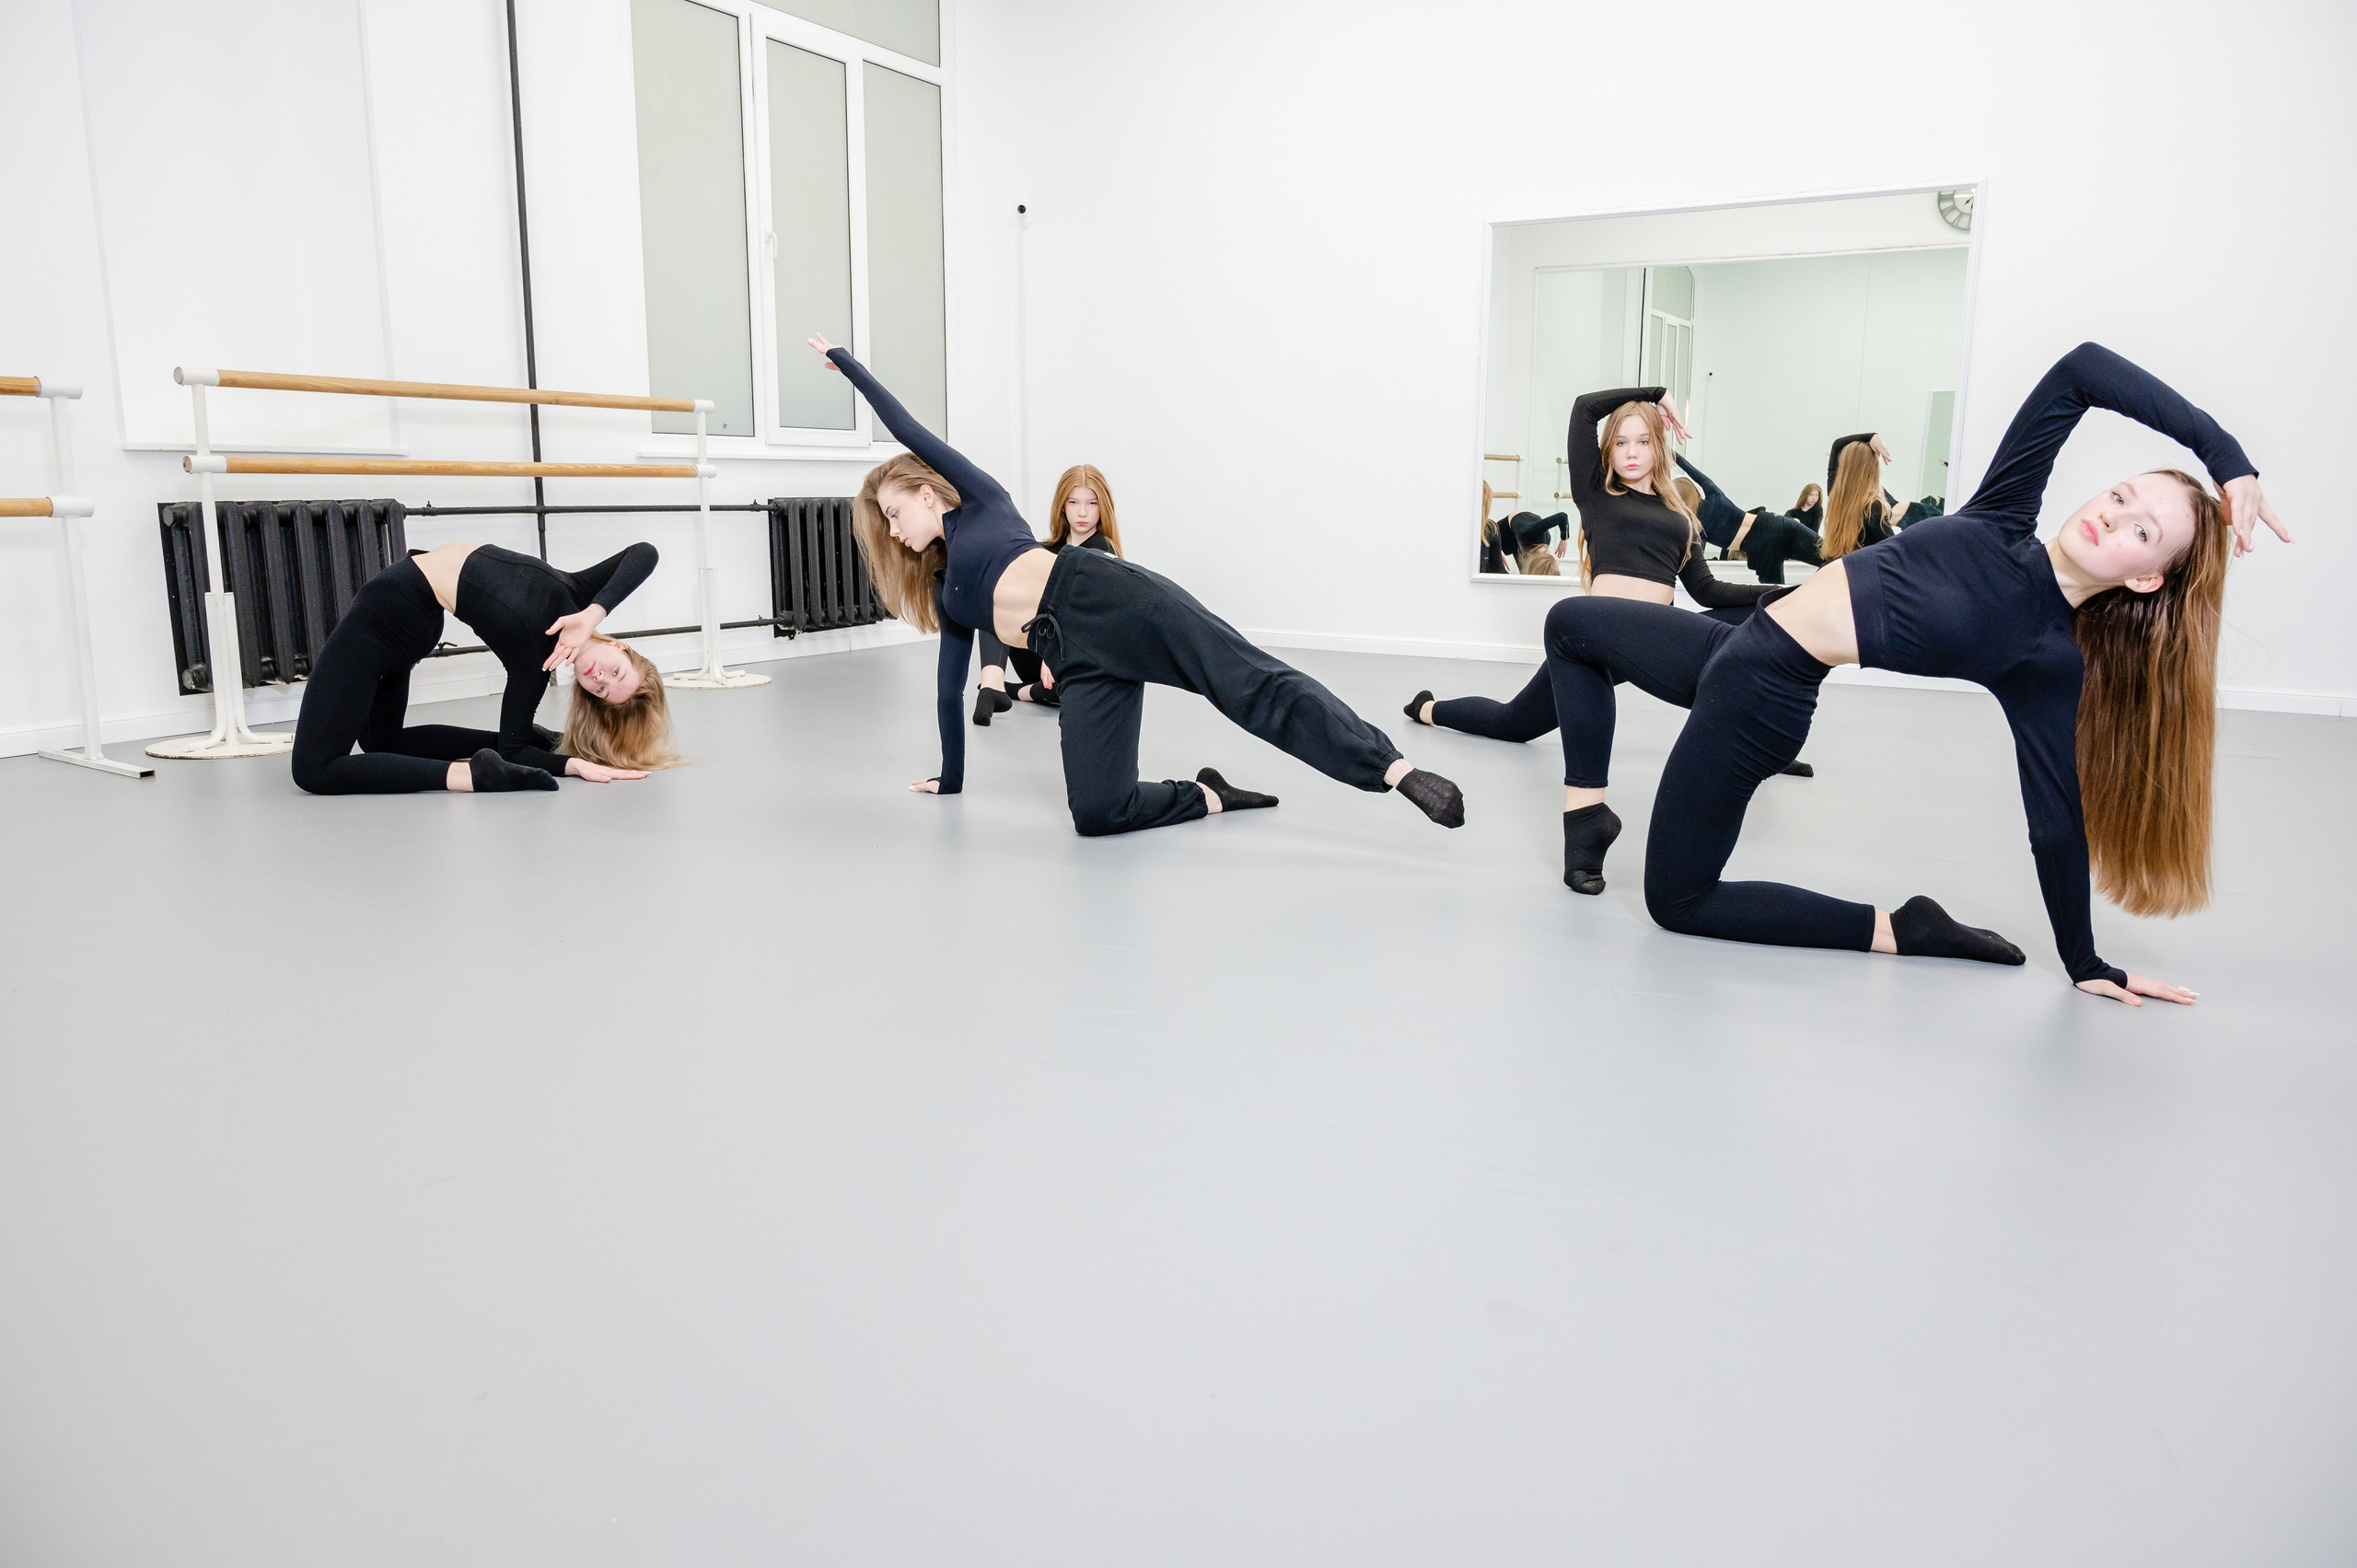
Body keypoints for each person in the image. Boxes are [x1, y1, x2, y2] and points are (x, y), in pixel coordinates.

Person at [1538, 343, 2283, 1006]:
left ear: (2151, 579)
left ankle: (1901, 928)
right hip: (1731, 641)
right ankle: (1588, 812)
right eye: (2121, 495)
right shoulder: (2003, 513)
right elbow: (2081, 370)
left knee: (1678, 900)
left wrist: (2085, 960)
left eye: (2142, 531)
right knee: (1570, 624)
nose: (2112, 516)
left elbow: (2055, 817)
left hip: (1758, 699)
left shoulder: (2043, 656)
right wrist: (2224, 455)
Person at [813, 334, 1464, 835]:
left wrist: (849, 366)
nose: (894, 531)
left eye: (895, 513)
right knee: (1097, 812)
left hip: (1105, 596)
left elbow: (905, 426)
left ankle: (1393, 768)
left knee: (1242, 680)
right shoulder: (948, 591)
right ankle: (1209, 794)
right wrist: (951, 780)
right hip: (1077, 663)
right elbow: (947, 687)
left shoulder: (983, 502)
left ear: (926, 493)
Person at [1403, 385, 1808, 779]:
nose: (1631, 452)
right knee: (1514, 722)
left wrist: (1786, 594)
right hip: (1595, 637)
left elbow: (1708, 591)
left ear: (1659, 447)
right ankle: (1429, 708)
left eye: (1643, 441)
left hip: (1654, 636)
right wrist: (1655, 393)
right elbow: (1583, 408)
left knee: (1753, 621)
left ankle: (1767, 748)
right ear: (1609, 449)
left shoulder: (1683, 517)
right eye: (1620, 443)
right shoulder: (1595, 494)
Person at [290, 541, 677, 795]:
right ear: (619, 646)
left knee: (314, 770)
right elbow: (644, 553)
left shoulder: (535, 665)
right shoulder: (579, 595)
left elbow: (514, 750)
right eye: (616, 672)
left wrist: (572, 766)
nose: (599, 678)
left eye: (603, 691)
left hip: (389, 616)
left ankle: (467, 776)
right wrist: (593, 615)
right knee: (382, 744)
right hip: (412, 615)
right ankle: (543, 736)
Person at [972, 463, 1122, 722]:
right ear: (1062, 506)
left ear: (1103, 507)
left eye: (1092, 503)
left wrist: (1055, 652)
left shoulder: (1103, 551)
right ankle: (992, 683)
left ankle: (1015, 691)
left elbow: (1092, 620)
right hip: (1036, 657)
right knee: (996, 600)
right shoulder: (1046, 549)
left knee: (1080, 693)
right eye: (1074, 502)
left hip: (1073, 657)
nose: (1083, 512)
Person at [1676, 455, 1823, 585]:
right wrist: (1669, 453)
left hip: (1759, 547)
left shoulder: (1692, 526)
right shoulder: (1714, 496)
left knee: (1774, 596)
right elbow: (1694, 472)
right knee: (1830, 555)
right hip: (1773, 524)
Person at [1821, 434, 1944, 561]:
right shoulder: (1872, 507)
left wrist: (1871, 437)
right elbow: (1893, 552)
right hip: (1860, 574)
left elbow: (1837, 444)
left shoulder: (1835, 493)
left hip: (1835, 565)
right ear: (1871, 468)